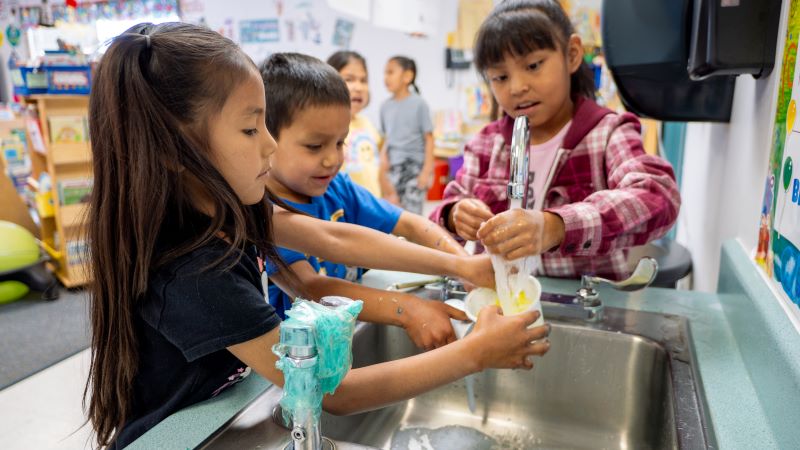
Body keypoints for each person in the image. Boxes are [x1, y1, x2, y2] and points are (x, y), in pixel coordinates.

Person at [85, 23, 550, 448]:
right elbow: (335, 393)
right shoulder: (194, 276)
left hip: (228, 412)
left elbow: (335, 239)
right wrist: (475, 353)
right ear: (175, 150)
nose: (268, 143)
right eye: (250, 129)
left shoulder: (227, 210)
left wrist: (461, 265)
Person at [430, 0, 681, 281]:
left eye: (534, 65)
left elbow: (658, 197)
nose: (517, 87)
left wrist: (555, 227)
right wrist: (453, 215)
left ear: (572, 55)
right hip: (500, 309)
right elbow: (440, 216)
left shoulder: (606, 133)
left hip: (583, 309)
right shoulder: (486, 144)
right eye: (500, 76)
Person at [260, 52, 467, 349]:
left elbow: (408, 223)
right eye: (315, 146)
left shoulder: (338, 188)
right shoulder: (266, 212)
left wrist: (463, 263)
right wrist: (404, 308)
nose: (333, 159)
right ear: (267, 141)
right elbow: (313, 287)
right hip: (305, 357)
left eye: (340, 142)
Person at [326, 50, 397, 202]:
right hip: (343, 206)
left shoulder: (367, 123)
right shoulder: (326, 127)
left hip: (371, 205)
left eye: (363, 80)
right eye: (349, 79)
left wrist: (389, 194)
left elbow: (378, 165)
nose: (359, 87)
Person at [380, 55, 434, 214]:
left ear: (407, 76)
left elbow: (429, 139)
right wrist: (383, 163)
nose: (386, 77)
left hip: (414, 169)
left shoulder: (419, 104)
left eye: (390, 72)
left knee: (413, 217)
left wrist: (426, 172)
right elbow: (387, 138)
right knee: (394, 215)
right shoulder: (385, 106)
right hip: (393, 170)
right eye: (384, 73)